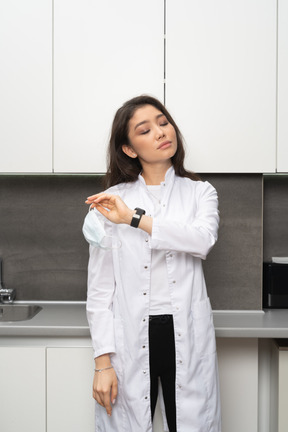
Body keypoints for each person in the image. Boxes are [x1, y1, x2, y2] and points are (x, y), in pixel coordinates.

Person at [85, 95, 221, 432]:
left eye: (163, 122)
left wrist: (133, 219)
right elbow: (100, 290)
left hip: (185, 329)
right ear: (129, 149)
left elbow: (201, 240)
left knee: (191, 423)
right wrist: (102, 363)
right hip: (131, 332)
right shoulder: (110, 202)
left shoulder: (200, 193)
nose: (162, 132)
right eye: (145, 130)